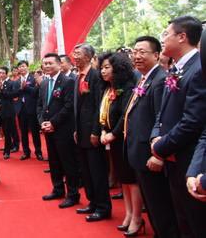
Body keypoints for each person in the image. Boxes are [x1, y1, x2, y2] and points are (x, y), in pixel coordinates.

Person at [150, 16, 206, 237]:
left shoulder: (199, 69)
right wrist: (156, 136)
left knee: (196, 222)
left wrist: (161, 146)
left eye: (166, 34)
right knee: (182, 219)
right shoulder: (176, 68)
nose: (162, 39)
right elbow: (161, 112)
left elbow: (193, 121)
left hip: (189, 159)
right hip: (172, 158)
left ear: (182, 37)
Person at [125, 36, 179, 238]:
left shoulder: (160, 80)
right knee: (154, 207)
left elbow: (162, 119)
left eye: (142, 52)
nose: (136, 56)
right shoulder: (144, 77)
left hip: (151, 155)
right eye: (134, 52)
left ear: (156, 55)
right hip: (139, 154)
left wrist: (158, 155)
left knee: (162, 207)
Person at [97, 52, 142, 235]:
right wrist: (102, 131)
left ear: (118, 69)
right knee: (123, 180)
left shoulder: (128, 87)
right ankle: (129, 213)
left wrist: (113, 134)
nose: (103, 71)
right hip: (111, 139)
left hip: (124, 139)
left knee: (131, 180)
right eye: (102, 67)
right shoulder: (108, 89)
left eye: (107, 67)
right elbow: (103, 114)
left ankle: (137, 217)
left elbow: (125, 115)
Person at [72, 43, 112, 222]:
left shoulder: (95, 76)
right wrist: (76, 129)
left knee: (97, 171)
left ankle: (103, 207)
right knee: (86, 171)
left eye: (78, 53)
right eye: (74, 53)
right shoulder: (78, 76)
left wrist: (96, 130)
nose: (75, 56)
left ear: (88, 56)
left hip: (92, 133)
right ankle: (93, 202)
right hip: (80, 132)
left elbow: (99, 106)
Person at [37, 53, 80, 209]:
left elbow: (69, 106)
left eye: (50, 63)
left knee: (67, 162)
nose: (47, 66)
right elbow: (40, 105)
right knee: (54, 161)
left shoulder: (68, 82)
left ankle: (73, 194)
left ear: (59, 64)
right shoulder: (43, 83)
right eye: (45, 64)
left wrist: (53, 123)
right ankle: (57, 189)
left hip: (63, 129)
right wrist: (42, 122)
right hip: (48, 129)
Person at [17, 60, 43, 160]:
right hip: (21, 110)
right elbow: (16, 93)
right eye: (20, 67)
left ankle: (38, 152)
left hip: (32, 109)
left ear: (27, 67)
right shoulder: (17, 80)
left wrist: (25, 87)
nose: (21, 68)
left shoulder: (34, 78)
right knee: (23, 133)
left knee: (35, 132)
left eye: (23, 66)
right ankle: (26, 152)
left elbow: (35, 92)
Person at [0, 67, 21, 159]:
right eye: (0, 72)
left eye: (3, 73)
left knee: (7, 132)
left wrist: (1, 89)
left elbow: (13, 95)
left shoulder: (11, 83)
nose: (1, 74)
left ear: (6, 74)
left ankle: (7, 151)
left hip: (8, 111)